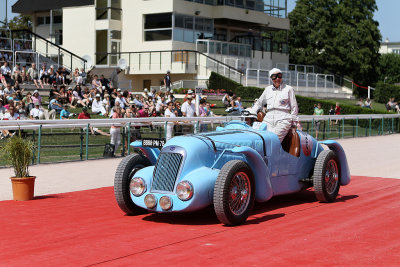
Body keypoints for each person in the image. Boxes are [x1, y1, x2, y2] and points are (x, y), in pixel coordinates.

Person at [247, 68, 299, 142]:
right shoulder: (267, 89)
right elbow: (259, 102)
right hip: (268, 118)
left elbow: (294, 107)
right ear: (271, 78)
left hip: (283, 118)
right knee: (261, 138)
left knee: (274, 140)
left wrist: (294, 123)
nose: (277, 78)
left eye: (279, 76)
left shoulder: (289, 89)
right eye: (274, 77)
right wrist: (252, 113)